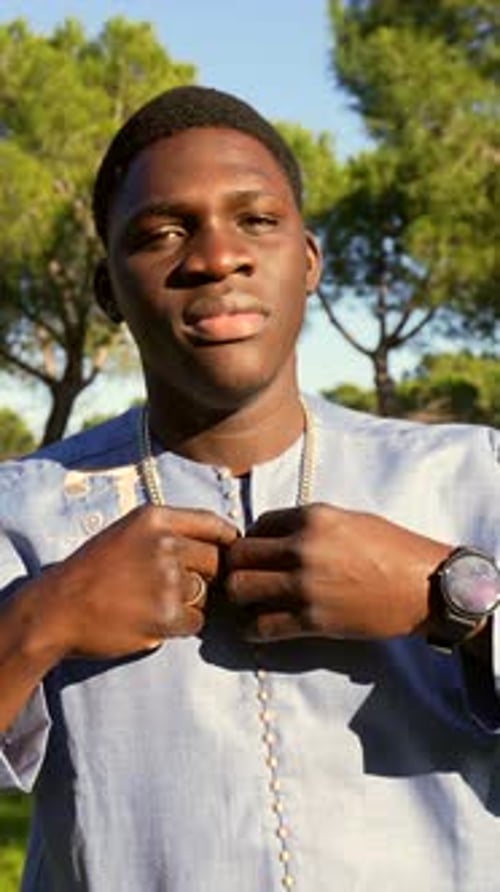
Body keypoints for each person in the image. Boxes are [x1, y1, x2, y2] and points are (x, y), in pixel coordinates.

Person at [0, 85, 499, 892]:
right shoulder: (20, 511)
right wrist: (38, 620)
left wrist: (452, 595)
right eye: (160, 232)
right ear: (106, 291)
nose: (213, 256)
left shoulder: (475, 475)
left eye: (257, 220)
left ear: (308, 261)